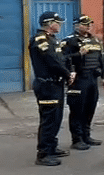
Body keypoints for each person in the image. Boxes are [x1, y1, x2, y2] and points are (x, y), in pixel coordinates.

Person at [29, 11, 75, 166]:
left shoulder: (53, 40)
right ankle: (43, 154)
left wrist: (69, 72)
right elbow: (52, 61)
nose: (60, 25)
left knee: (56, 118)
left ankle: (51, 147)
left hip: (56, 84)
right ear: (49, 23)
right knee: (48, 119)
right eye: (58, 22)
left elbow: (62, 59)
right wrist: (68, 73)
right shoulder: (40, 40)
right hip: (47, 85)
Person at [62, 15, 104, 151]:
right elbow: (63, 59)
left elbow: (101, 59)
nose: (88, 26)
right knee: (77, 109)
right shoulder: (70, 41)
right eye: (84, 24)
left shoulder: (94, 40)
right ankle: (77, 139)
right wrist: (78, 55)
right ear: (76, 25)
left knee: (90, 107)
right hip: (78, 80)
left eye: (89, 24)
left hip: (92, 79)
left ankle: (86, 135)